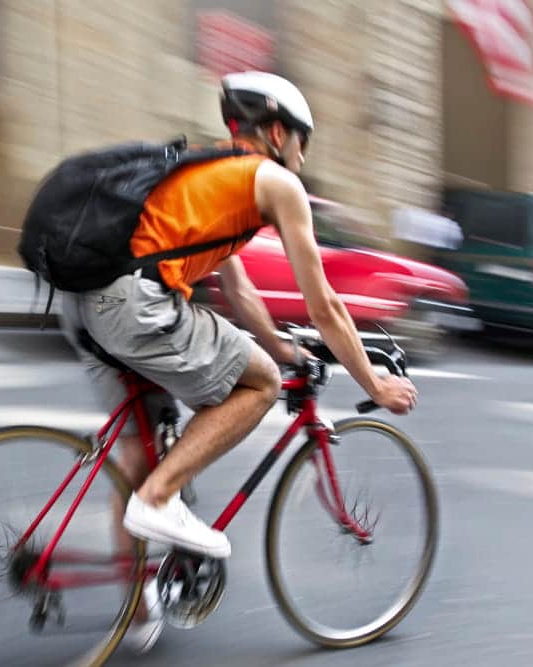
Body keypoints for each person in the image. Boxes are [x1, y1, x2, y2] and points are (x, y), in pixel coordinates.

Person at [60, 71, 417, 650]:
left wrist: (282, 342)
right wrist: (372, 382)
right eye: (303, 139)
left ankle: (137, 596)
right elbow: (323, 303)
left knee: (139, 447)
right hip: (135, 305)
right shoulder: (274, 182)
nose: (303, 154)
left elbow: (241, 292)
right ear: (277, 132)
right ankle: (157, 503)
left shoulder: (207, 172)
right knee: (259, 384)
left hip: (84, 304)